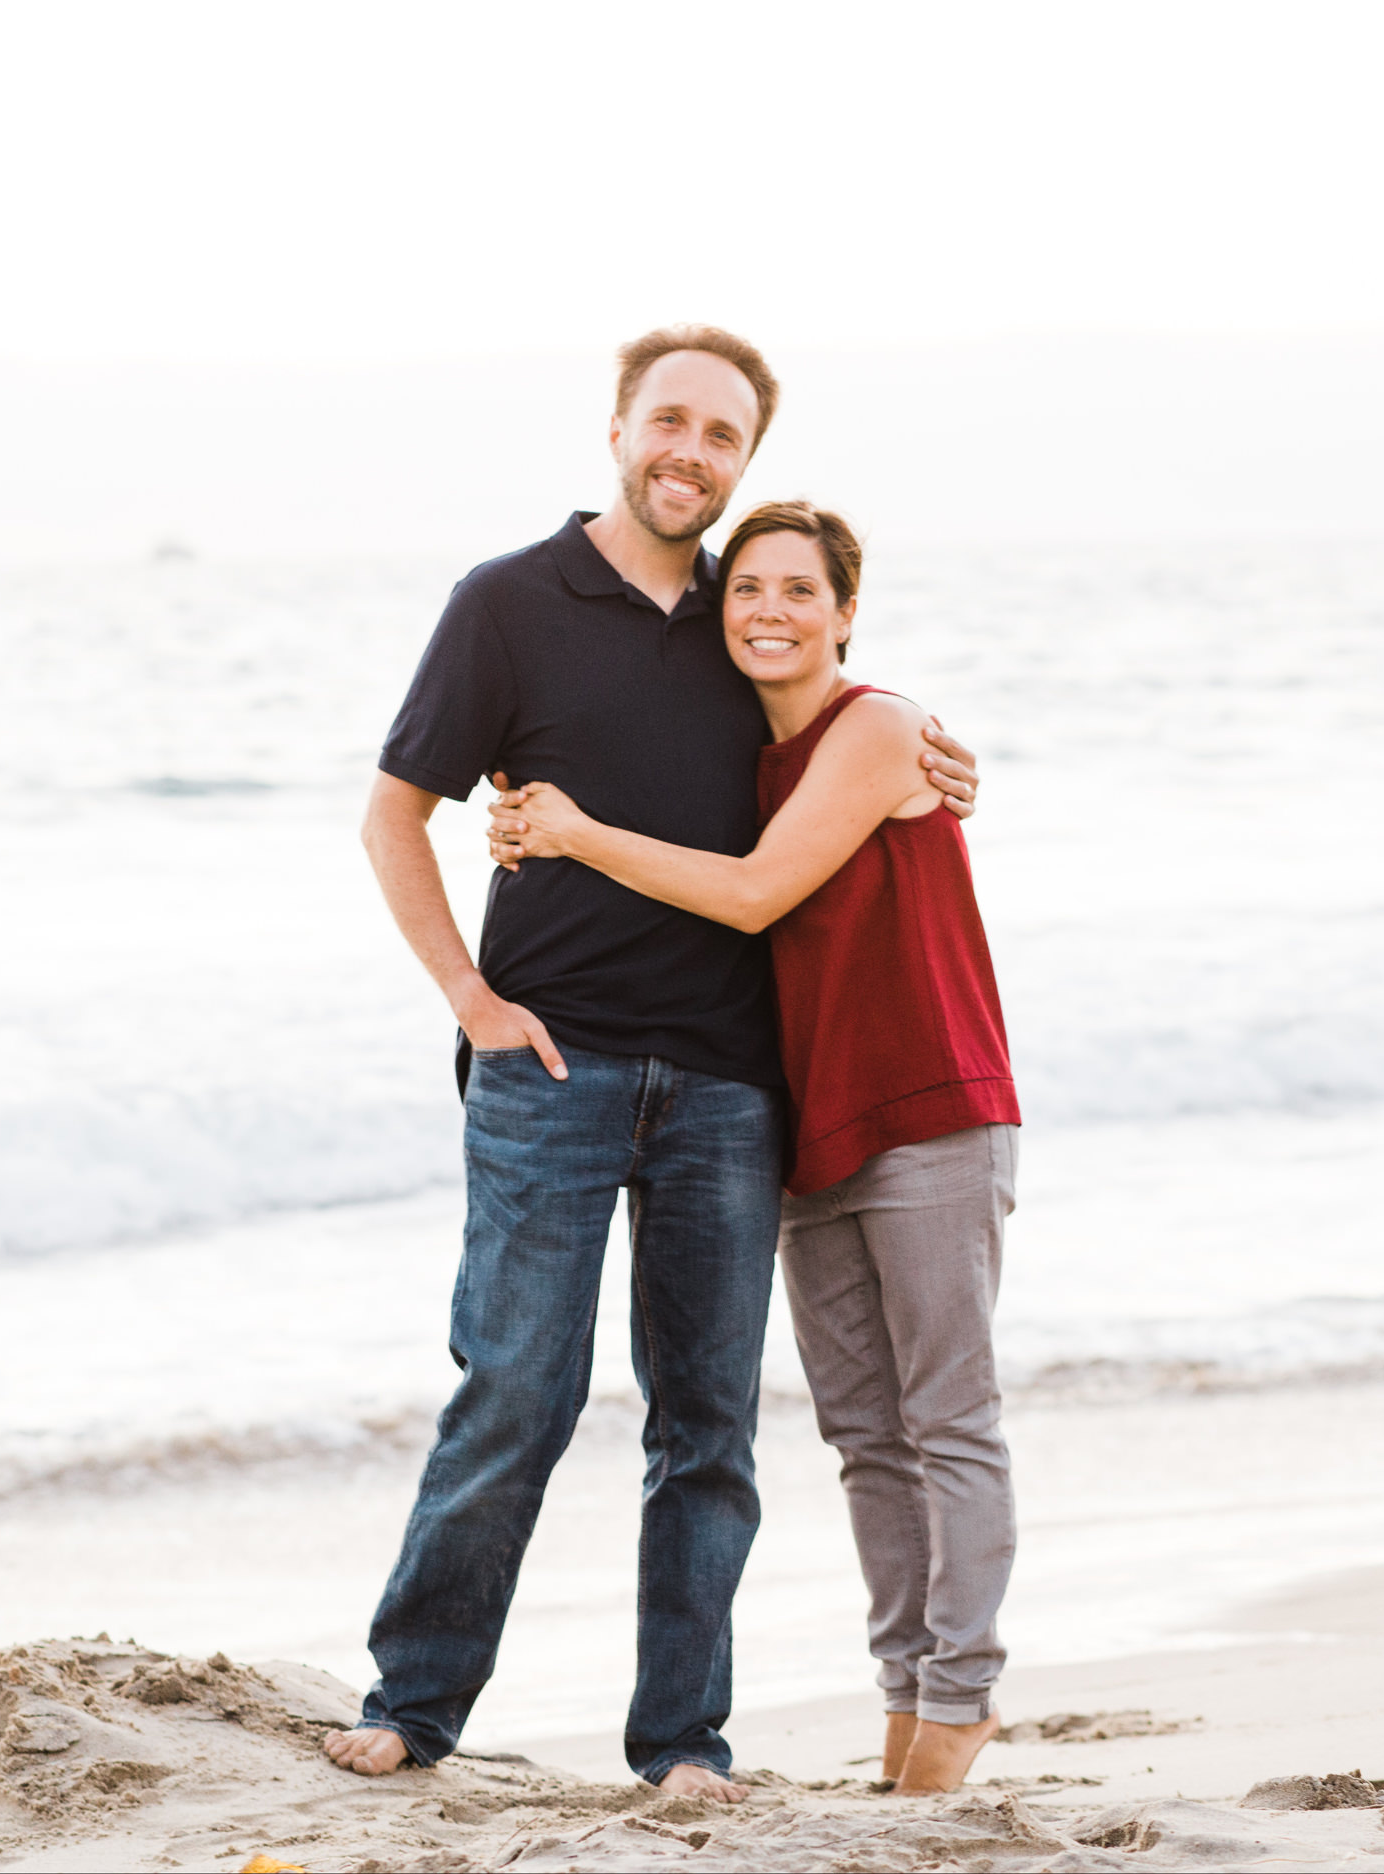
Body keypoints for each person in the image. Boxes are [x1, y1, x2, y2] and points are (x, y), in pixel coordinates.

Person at [321, 329, 980, 1801]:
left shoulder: (750, 619)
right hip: (550, 1063)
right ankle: (416, 1700)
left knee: (708, 1428)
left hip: (732, 1084)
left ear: (745, 460)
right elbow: (391, 813)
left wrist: (942, 750)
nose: (691, 451)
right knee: (515, 1391)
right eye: (669, 420)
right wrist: (471, 997)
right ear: (620, 426)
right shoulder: (506, 604)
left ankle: (683, 1741)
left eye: (722, 435)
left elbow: (855, 728)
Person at [489, 499, 1021, 1795]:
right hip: (808, 1122)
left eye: (800, 591)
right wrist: (524, 817)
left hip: (930, 1107)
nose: (771, 611)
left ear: (847, 614)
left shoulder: (881, 725)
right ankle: (904, 1696)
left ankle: (960, 1697)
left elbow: (753, 893)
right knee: (864, 1434)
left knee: (947, 1417)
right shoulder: (746, 753)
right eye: (750, 591)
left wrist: (571, 831)